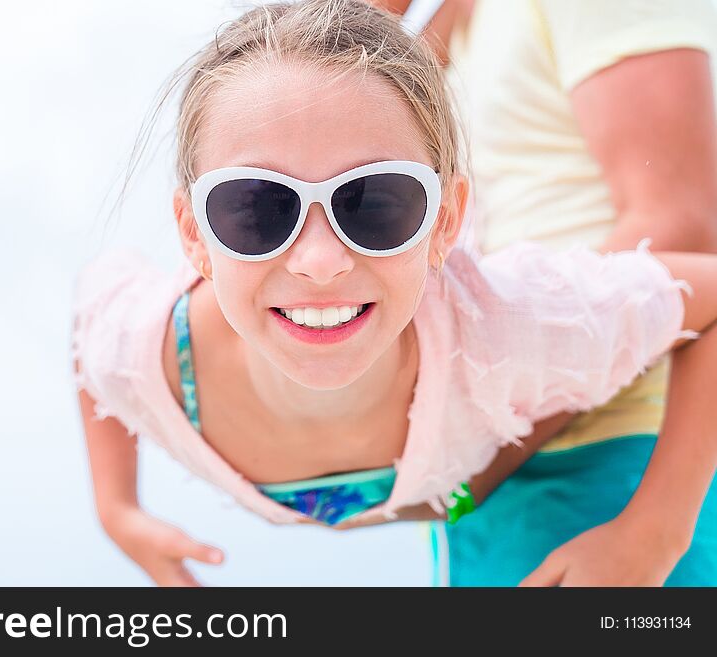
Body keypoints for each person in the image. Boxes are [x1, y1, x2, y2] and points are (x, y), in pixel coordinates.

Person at [71, 0, 717, 586]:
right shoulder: (145, 344)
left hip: (601, 431)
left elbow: (690, 235)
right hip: (471, 490)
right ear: (192, 234)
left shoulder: (509, 332)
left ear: (444, 221)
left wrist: (653, 527)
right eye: (256, 208)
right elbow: (90, 337)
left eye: (376, 202)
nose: (319, 261)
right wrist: (117, 505)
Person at [376, 0, 717, 585]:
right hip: (508, 474)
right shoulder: (461, 27)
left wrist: (654, 530)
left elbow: (685, 228)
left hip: (618, 462)